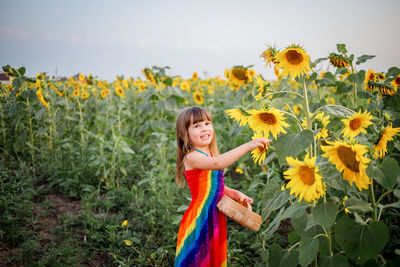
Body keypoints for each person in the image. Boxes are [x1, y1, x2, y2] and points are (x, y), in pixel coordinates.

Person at [174, 106, 271, 267]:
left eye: (207, 123)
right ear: (184, 134)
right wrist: (249, 145)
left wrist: (233, 193)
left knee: (212, 257)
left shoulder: (208, 154)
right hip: (201, 218)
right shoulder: (192, 157)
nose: (204, 129)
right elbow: (218, 163)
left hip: (213, 215)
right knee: (198, 258)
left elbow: (210, 186)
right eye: (196, 126)